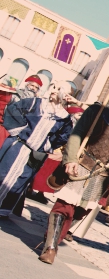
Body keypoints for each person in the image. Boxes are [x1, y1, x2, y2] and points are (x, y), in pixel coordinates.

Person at [39, 76, 109, 264]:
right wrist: (70, 159)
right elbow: (76, 134)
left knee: (79, 212)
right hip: (81, 164)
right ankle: (51, 247)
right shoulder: (97, 111)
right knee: (64, 206)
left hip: (102, 175)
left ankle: (53, 238)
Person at [0, 83, 73, 217]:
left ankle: (3, 210)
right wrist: (21, 130)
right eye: (53, 87)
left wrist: (46, 145)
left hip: (34, 155)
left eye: (59, 89)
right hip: (17, 146)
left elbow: (63, 136)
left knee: (20, 180)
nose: (54, 91)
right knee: (3, 173)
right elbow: (13, 109)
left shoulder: (64, 118)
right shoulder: (35, 103)